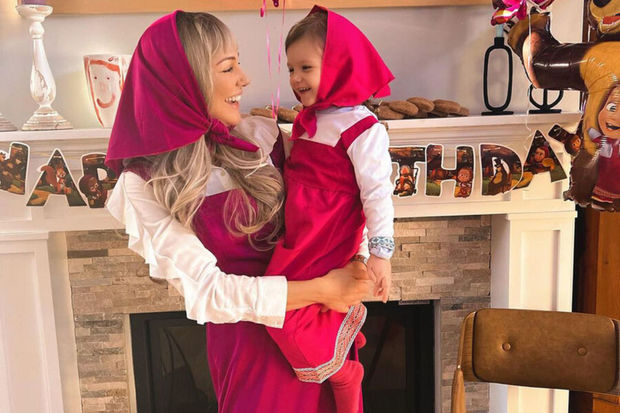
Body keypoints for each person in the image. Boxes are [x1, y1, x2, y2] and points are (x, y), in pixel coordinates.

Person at [104, 10, 371, 413]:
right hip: (251, 353)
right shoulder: (143, 183)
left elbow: (339, 195)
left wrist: (360, 259)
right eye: (228, 67)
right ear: (185, 81)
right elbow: (208, 292)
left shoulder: (263, 137)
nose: (244, 79)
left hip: (321, 333)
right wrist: (324, 289)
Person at [263, 7, 395, 413]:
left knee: (283, 312)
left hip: (327, 234)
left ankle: (345, 378)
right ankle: (341, 348)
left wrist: (380, 254)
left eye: (306, 67)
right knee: (286, 304)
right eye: (291, 69)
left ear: (338, 67)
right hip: (300, 233)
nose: (295, 78)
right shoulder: (310, 119)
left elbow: (377, 192)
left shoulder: (362, 127)